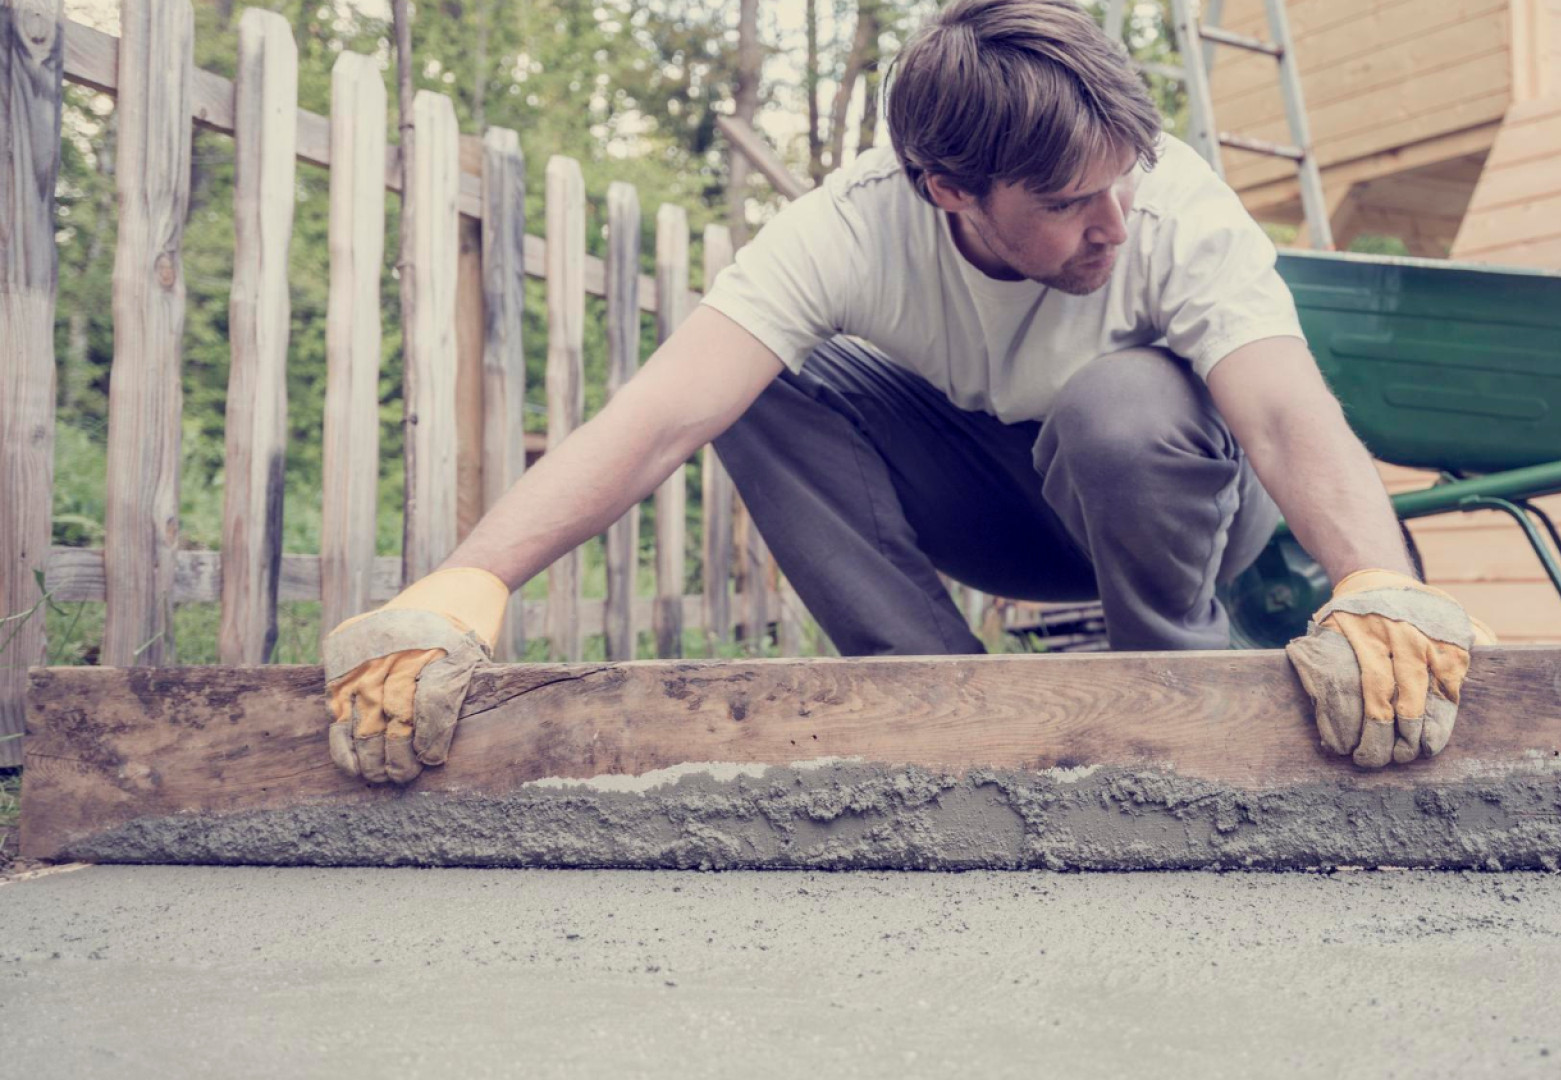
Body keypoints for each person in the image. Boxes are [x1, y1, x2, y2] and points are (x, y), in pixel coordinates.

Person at [320, 0, 1492, 787]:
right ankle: (950, 714)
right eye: (1070, 204)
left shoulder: (1173, 209)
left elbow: (1286, 413)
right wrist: (465, 584)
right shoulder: (850, 227)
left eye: (1121, 184)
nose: (1111, 225)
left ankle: (1170, 712)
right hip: (1006, 512)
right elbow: (660, 416)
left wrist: (1376, 580)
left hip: (1188, 512)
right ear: (950, 192)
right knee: (761, 389)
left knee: (1120, 402)